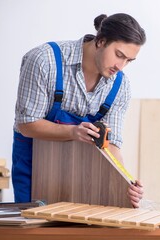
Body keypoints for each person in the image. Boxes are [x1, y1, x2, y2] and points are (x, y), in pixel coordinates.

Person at [12, 13, 146, 208]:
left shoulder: (120, 85)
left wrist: (126, 182)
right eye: (119, 55)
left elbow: (112, 144)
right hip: (34, 169)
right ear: (101, 41)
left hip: (84, 179)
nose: (121, 66)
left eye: (129, 61)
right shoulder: (44, 60)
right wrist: (73, 132)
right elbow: (26, 124)